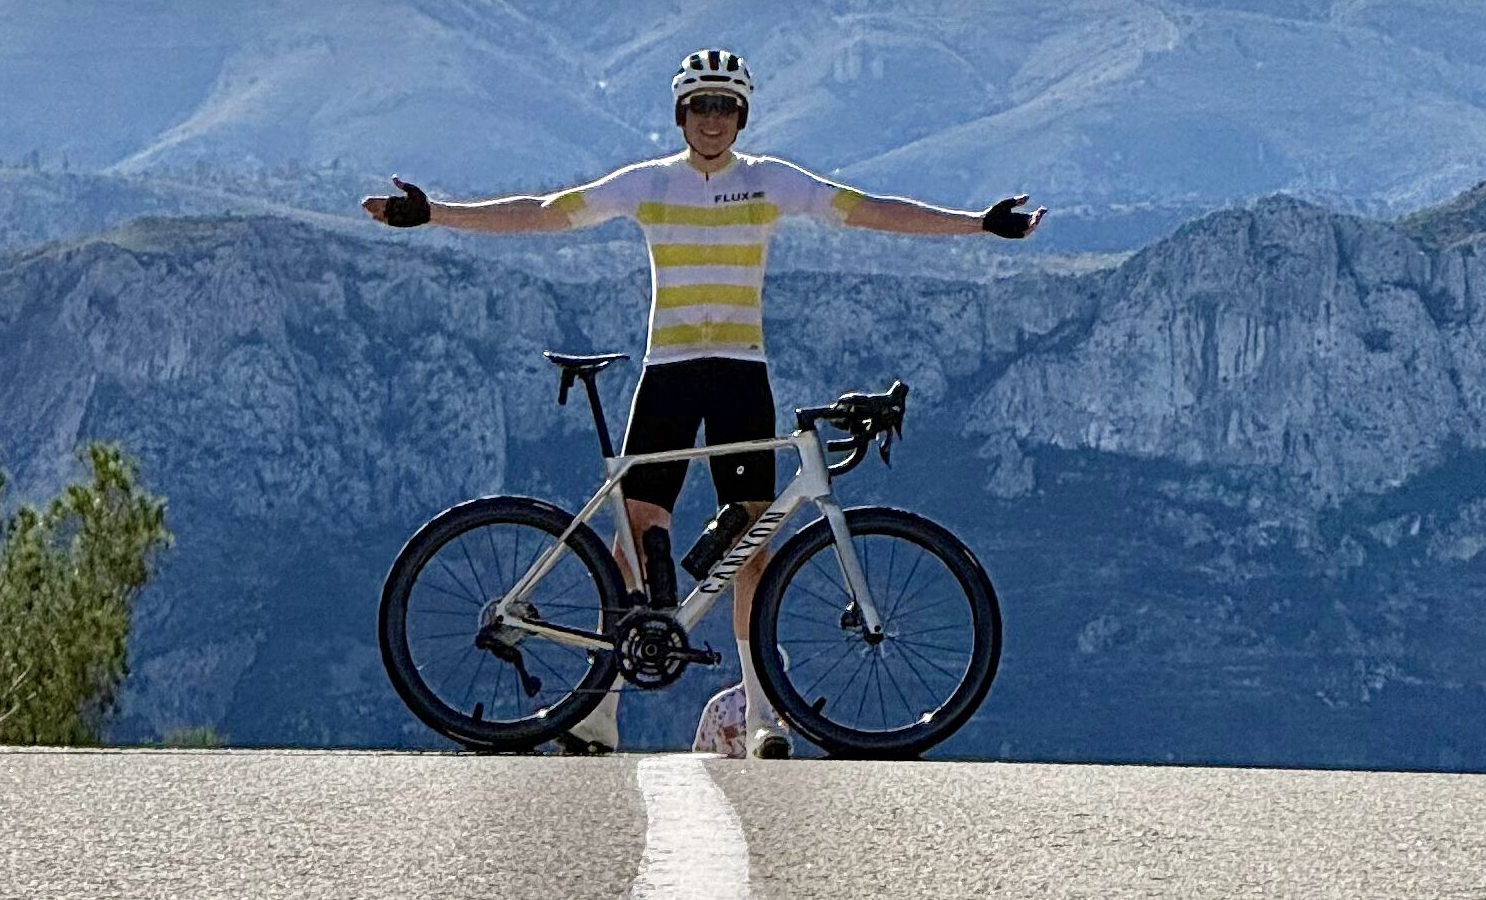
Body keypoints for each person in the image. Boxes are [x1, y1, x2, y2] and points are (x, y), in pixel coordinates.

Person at [363, 47, 1046, 759]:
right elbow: (543, 213)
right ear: (680, 115)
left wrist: (977, 223)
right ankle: (596, 714)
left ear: (741, 116)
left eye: (724, 107)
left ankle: (761, 716)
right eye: (699, 107)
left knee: (753, 542)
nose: (711, 119)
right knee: (634, 541)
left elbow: (868, 210)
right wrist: (433, 214)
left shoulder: (769, 180)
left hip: (740, 375)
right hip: (669, 373)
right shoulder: (651, 182)